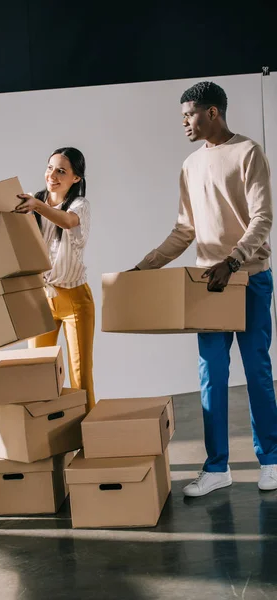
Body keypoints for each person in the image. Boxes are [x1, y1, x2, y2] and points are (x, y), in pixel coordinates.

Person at [133, 81, 277, 496]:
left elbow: (263, 218)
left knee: (257, 371)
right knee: (211, 375)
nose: (185, 123)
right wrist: (145, 266)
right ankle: (217, 467)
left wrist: (233, 261)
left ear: (213, 112)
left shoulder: (248, 153)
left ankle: (270, 458)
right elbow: (184, 230)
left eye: (190, 115)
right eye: (183, 117)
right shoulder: (190, 165)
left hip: (248, 277)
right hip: (208, 284)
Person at [15, 147, 95, 411]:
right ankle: (45, 436)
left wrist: (37, 205)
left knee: (80, 376)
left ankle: (89, 438)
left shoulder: (79, 206)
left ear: (76, 178)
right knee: (39, 374)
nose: (53, 175)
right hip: (41, 299)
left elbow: (67, 222)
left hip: (74, 299)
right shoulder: (33, 202)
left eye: (62, 170)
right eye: (50, 168)